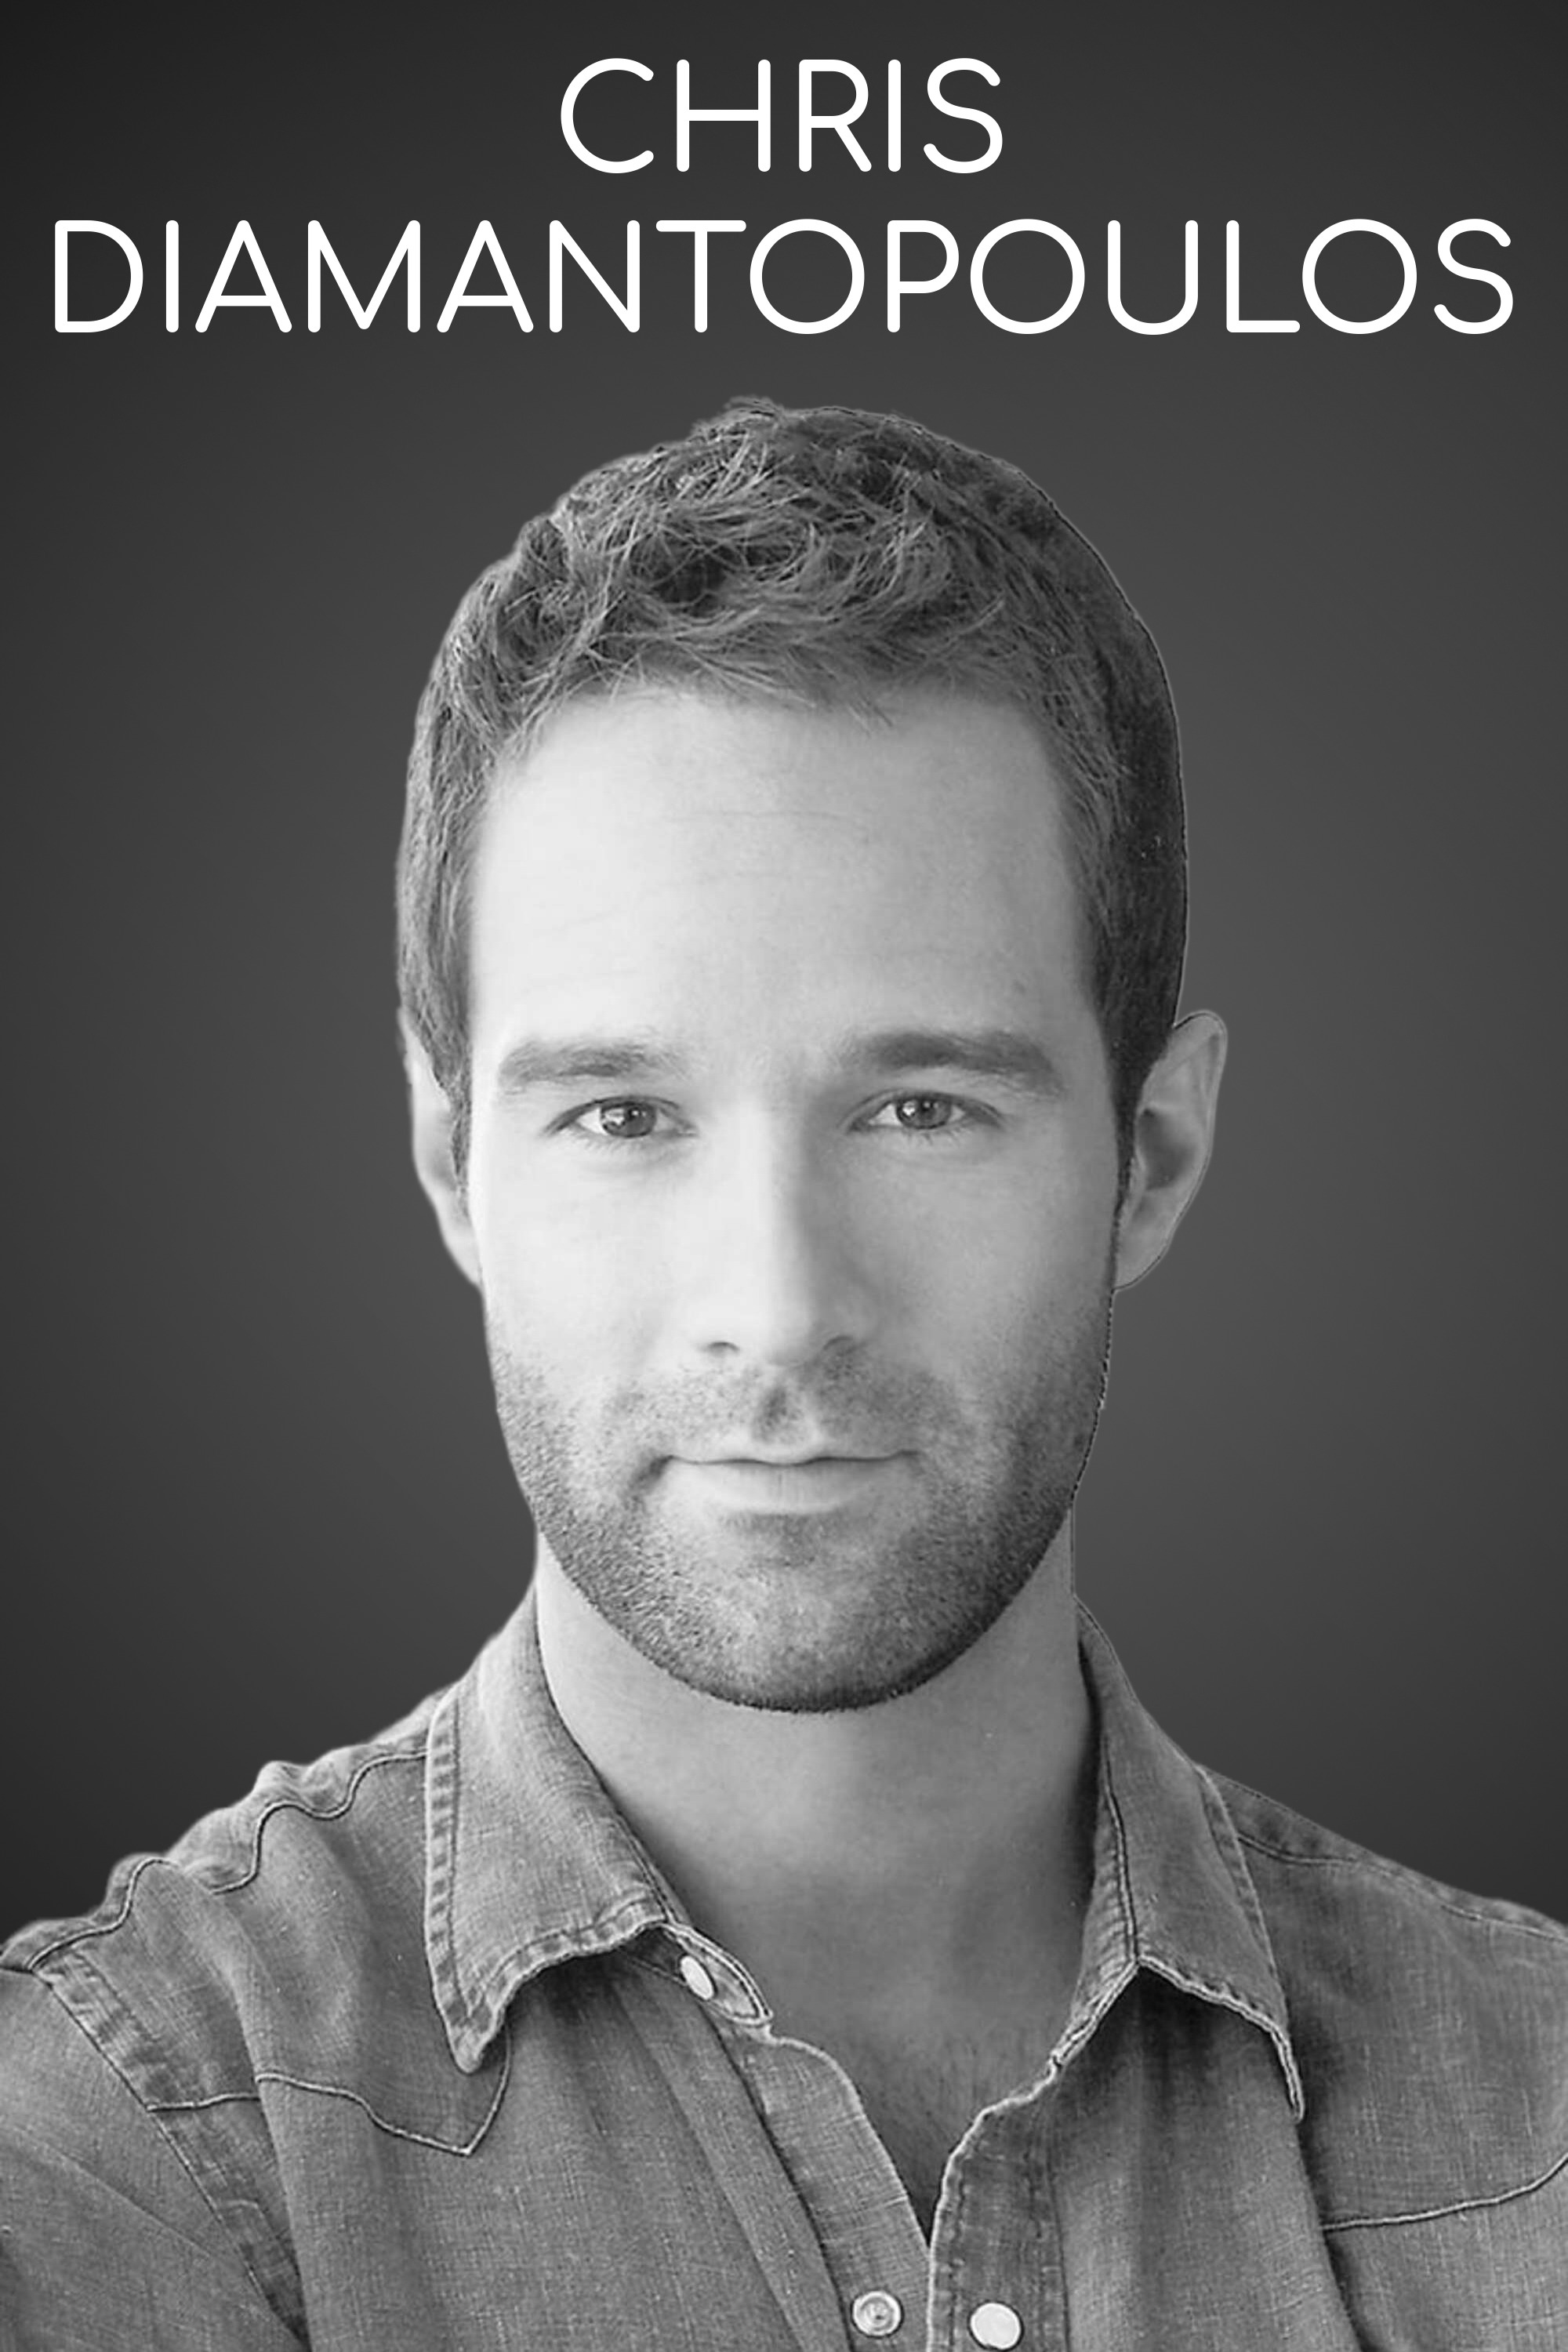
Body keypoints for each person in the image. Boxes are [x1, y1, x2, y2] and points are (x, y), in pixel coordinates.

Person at [2, 400, 1563, 2350]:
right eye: (622, 1114)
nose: (778, 1302)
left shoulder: (1540, 2127)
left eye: (920, 1109)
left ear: (1152, 1155)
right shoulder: (120, 2138)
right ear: (450, 1164)